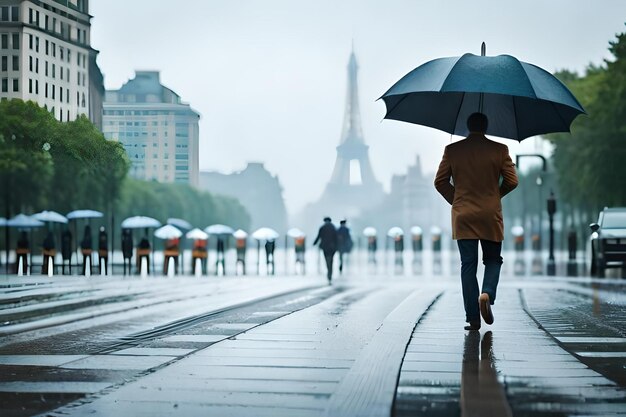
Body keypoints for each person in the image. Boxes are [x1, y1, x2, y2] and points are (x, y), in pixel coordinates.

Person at [435, 112, 518, 331]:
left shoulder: (452, 150)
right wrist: (495, 196)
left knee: (467, 266)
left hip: (463, 215)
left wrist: (458, 200)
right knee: (493, 259)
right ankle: (487, 293)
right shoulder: (500, 150)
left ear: (468, 126)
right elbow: (512, 181)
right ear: (486, 126)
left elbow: (440, 181)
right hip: (490, 214)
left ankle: (472, 318)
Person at [313, 217, 338, 283]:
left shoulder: (322, 228)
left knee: (327, 259)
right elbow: (336, 238)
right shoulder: (333, 227)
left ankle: (329, 271)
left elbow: (318, 236)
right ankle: (330, 272)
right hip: (332, 247)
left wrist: (314, 243)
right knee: (331, 260)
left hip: (325, 246)